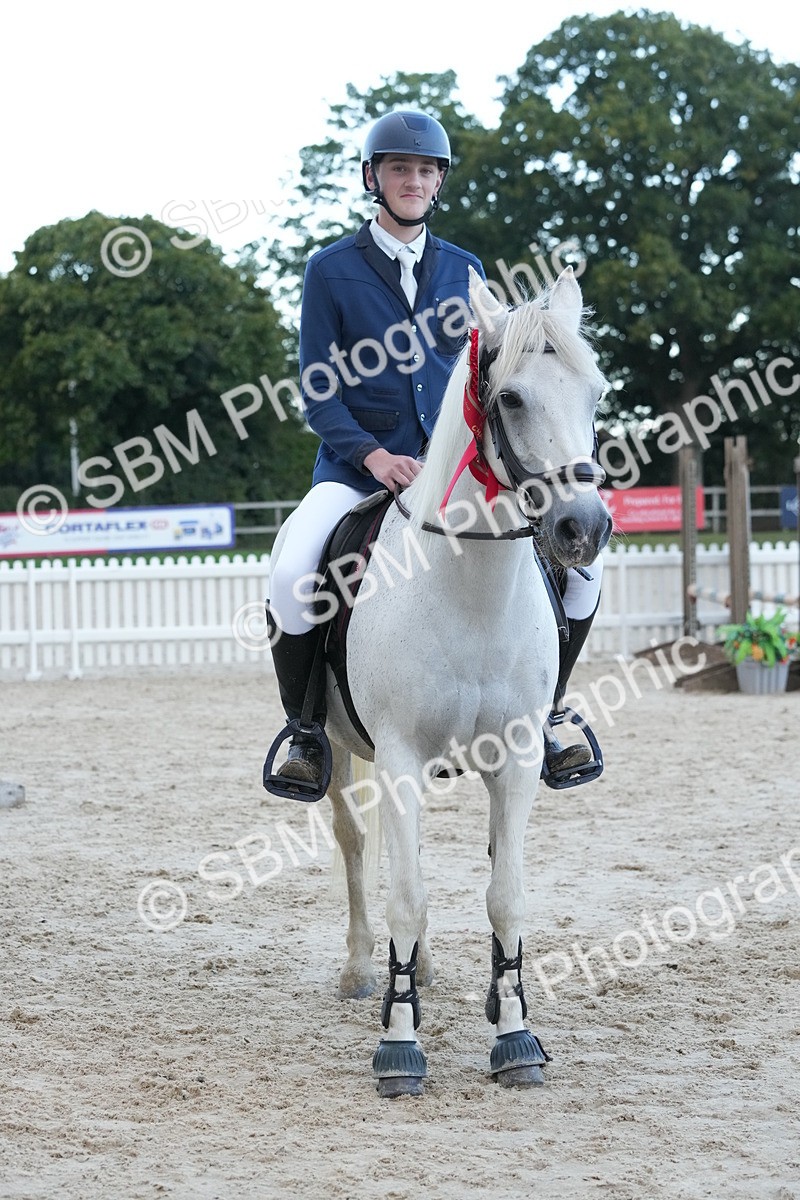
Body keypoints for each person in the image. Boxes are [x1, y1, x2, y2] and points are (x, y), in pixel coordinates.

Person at [266, 108, 601, 791]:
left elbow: (488, 381)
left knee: (585, 571)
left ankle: (552, 712)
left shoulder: (465, 269)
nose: (413, 180)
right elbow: (318, 393)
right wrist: (373, 457)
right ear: (374, 178)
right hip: (357, 472)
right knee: (293, 568)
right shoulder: (329, 271)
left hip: (457, 474)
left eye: (425, 170)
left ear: (439, 181)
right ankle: (305, 731)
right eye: (399, 169)